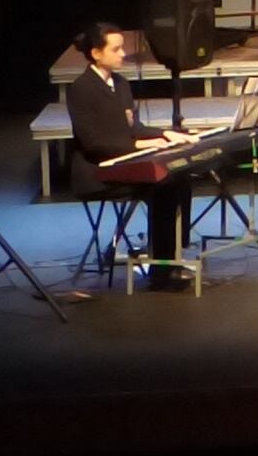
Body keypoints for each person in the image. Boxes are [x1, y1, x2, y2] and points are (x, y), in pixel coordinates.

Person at [65, 23, 196, 288]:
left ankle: (170, 256)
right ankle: (162, 272)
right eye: (116, 49)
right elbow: (93, 143)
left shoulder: (121, 83)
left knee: (178, 176)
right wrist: (139, 147)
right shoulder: (81, 89)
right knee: (163, 187)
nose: (123, 54)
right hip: (97, 171)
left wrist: (166, 134)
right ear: (96, 53)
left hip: (124, 162)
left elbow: (133, 127)